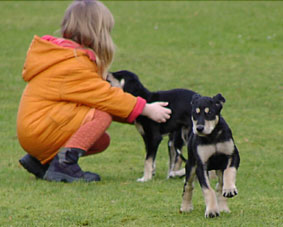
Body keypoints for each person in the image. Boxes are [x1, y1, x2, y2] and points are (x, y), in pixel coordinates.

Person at [17, 0, 171, 183]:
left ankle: (44, 163)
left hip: (34, 132)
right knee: (101, 115)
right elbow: (105, 97)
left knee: (100, 140)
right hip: (39, 131)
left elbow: (94, 98)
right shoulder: (73, 63)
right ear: (95, 34)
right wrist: (145, 109)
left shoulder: (61, 55)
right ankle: (64, 165)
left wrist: (135, 114)